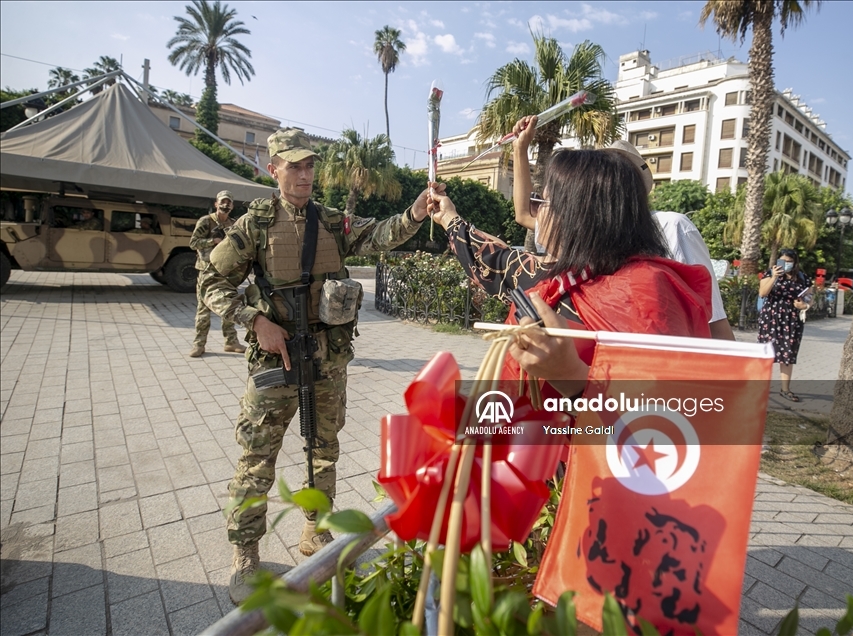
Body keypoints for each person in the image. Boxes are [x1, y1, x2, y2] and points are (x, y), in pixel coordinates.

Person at [201, 128, 431, 604]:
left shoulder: (332, 222)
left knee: (324, 447)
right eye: (294, 166)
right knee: (257, 455)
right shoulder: (253, 226)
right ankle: (245, 551)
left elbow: (384, 233)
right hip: (275, 358)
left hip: (327, 359)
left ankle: (316, 529)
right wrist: (254, 318)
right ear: (274, 170)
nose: (304, 174)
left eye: (310, 166)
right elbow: (210, 283)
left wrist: (417, 210)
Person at [429, 135, 713, 397]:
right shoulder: (556, 277)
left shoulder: (647, 292)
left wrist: (572, 377)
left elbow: (665, 417)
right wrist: (448, 218)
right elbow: (495, 260)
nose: (535, 212)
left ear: (579, 211)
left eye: (542, 201)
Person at [512, 118, 734, 341]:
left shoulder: (671, 227)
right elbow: (524, 214)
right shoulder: (582, 229)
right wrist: (520, 148)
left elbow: (712, 319)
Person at [188, 191, 246, 358]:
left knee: (229, 307)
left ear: (232, 206)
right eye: (223, 201)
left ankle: (231, 342)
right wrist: (212, 241)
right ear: (216, 203)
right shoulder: (206, 221)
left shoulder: (233, 224)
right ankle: (199, 344)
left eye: (229, 202)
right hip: (207, 272)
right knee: (204, 309)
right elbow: (193, 243)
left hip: (227, 272)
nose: (225, 205)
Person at [757, 248, 812, 402]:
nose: (785, 264)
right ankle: (760, 387)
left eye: (789, 261)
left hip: (792, 319)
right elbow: (763, 292)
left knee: (788, 353)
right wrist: (774, 276)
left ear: (795, 262)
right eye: (782, 261)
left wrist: (805, 306)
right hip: (771, 318)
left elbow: (810, 296)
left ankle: (785, 389)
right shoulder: (770, 274)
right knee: (766, 352)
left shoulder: (802, 278)